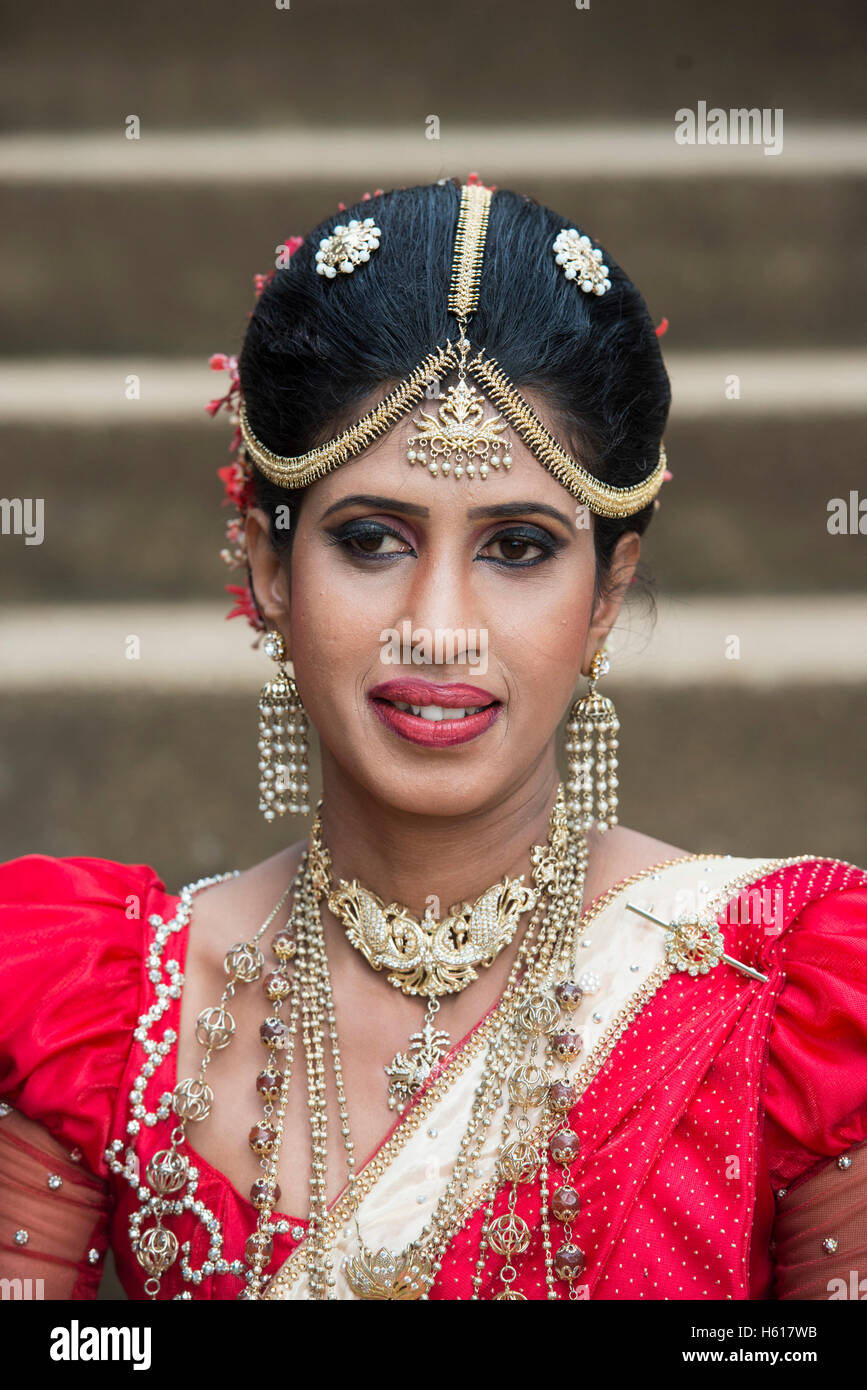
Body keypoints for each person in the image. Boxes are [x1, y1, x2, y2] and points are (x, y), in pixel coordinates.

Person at [1, 178, 865, 1302]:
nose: (441, 628)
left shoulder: (778, 986)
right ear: (267, 566)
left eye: (517, 547)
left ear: (609, 590)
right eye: (371, 539)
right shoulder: (110, 1010)